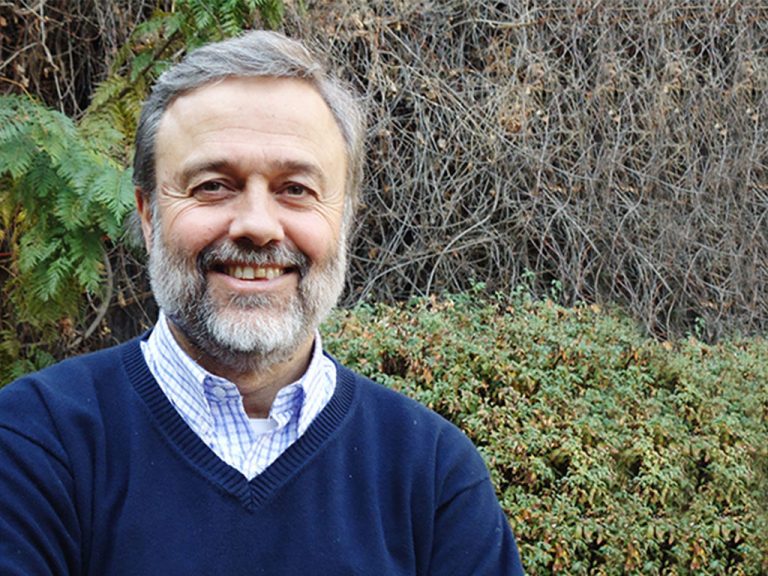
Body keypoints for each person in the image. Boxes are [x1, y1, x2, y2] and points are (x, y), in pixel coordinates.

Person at [0, 31, 524, 575]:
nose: (257, 225)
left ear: (345, 219)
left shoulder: (433, 475)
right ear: (149, 214)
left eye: (295, 189)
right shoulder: (32, 444)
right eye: (212, 185)